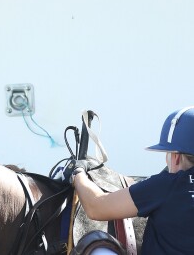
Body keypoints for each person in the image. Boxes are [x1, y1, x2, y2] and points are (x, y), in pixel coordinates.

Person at [63, 106, 194, 254]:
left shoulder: (167, 185)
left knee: (98, 247)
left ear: (176, 157)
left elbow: (96, 207)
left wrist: (78, 173)